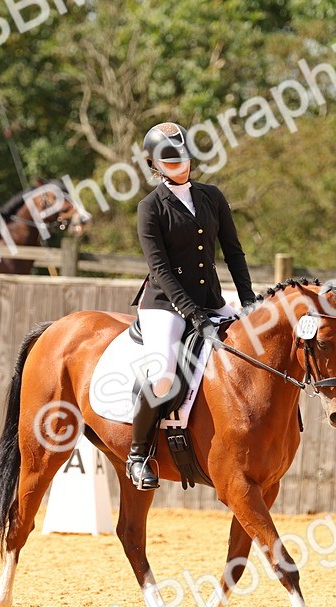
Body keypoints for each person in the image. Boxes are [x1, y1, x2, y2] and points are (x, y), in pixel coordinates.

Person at [126, 121, 257, 490]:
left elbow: (233, 252)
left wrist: (247, 300)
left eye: (182, 157)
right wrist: (192, 314)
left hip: (212, 301)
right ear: (154, 166)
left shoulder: (211, 196)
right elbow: (161, 269)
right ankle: (138, 455)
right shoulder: (150, 207)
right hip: (165, 306)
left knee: (259, 344)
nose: (179, 165)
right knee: (166, 375)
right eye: (169, 160)